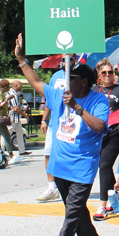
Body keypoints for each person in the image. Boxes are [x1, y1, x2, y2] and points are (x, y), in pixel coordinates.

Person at [15, 35, 109, 236]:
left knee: (71, 217)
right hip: (59, 167)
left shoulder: (98, 100)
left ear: (85, 83)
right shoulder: (59, 95)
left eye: (73, 79)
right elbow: (35, 81)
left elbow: (99, 126)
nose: (67, 82)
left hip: (81, 169)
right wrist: (21, 59)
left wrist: (77, 107)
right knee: (77, 215)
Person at [92, 58, 119, 221]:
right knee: (104, 166)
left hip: (115, 133)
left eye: (110, 72)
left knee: (104, 164)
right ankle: (113, 197)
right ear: (99, 75)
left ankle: (102, 205)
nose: (108, 75)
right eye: (104, 73)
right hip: (97, 133)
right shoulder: (94, 90)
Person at [37, 54, 77, 202]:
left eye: (70, 58)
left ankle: (69, 185)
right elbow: (50, 100)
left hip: (71, 124)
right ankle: (52, 187)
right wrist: (44, 120)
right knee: (48, 153)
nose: (66, 61)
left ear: (75, 60)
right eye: (63, 59)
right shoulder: (56, 77)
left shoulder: (79, 76)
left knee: (68, 155)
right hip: (55, 123)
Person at [0, 80, 16, 162]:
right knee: (6, 135)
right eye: (8, 86)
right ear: (5, 86)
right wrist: (7, 99)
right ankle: (10, 154)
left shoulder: (0, 93)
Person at [8, 80, 30, 155]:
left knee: (20, 133)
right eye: (20, 85)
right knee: (8, 133)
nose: (21, 86)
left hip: (16, 118)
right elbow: (16, 108)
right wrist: (25, 115)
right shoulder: (12, 94)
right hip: (12, 117)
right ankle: (2, 149)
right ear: (16, 85)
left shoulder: (17, 93)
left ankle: (22, 150)